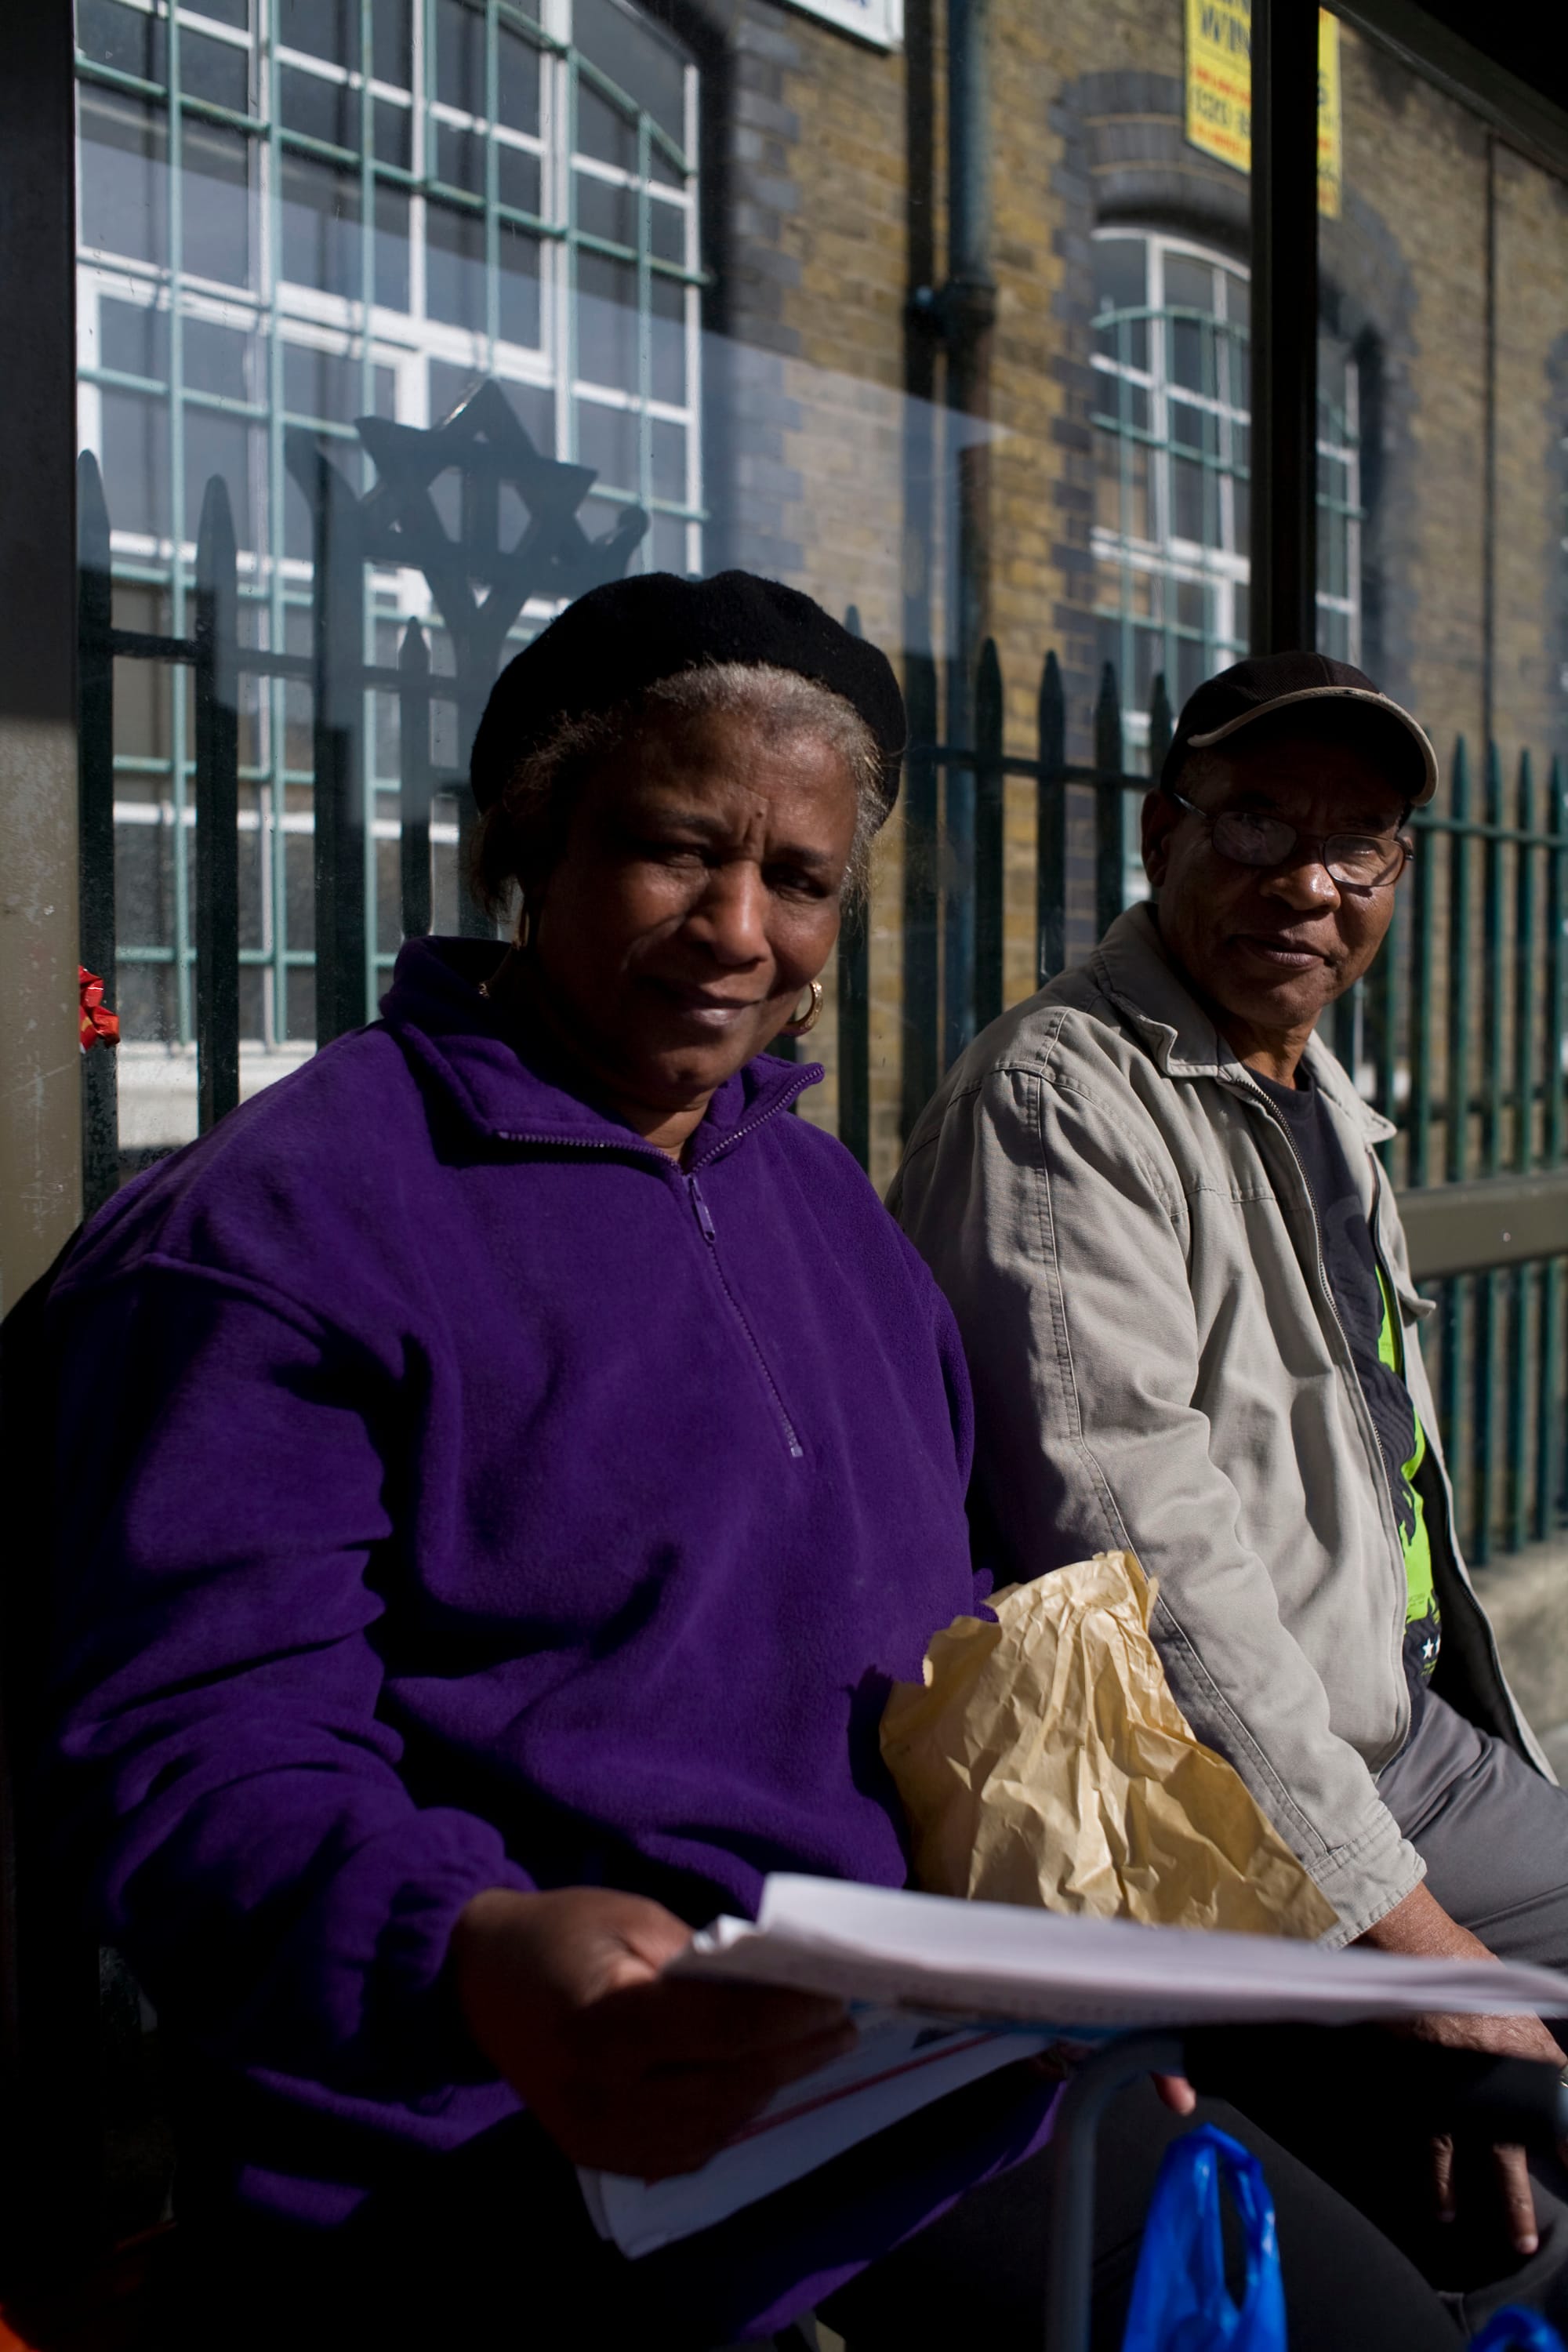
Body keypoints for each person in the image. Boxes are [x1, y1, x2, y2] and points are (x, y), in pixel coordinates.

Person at [40, 594, 1461, 2350]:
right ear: (531, 847)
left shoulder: (820, 1212)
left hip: (923, 2082)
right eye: (669, 852)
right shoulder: (286, 1225)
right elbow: (198, 1748)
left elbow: (953, 1654)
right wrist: (471, 1946)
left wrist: (1078, 1979)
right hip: (516, 2146)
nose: (736, 932)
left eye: (797, 880)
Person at [891, 649, 1568, 2331]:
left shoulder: (1307, 1084)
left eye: (1360, 846)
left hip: (1393, 1744)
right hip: (1205, 1810)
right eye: (1259, 817)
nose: (1307, 883)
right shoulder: (1064, 1102)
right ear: (1162, 832)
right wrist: (1407, 1945)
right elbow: (1150, 1577)